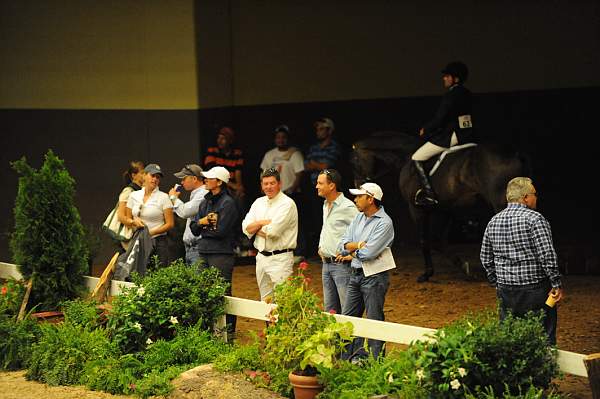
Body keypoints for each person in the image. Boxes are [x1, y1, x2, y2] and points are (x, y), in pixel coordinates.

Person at [480, 177, 563, 345]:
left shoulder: (493, 221)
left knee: (509, 337)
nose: (536, 197)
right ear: (525, 197)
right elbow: (547, 255)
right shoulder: (535, 219)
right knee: (542, 336)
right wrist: (555, 283)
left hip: (505, 289)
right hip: (535, 289)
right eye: (534, 194)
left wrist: (496, 282)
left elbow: (485, 257)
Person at [337, 182, 394, 360]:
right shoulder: (359, 218)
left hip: (374, 277)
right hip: (357, 274)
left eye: (359, 196)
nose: (355, 199)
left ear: (370, 199)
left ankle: (377, 363)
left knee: (374, 320)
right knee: (348, 320)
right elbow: (342, 244)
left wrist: (353, 248)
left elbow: (367, 253)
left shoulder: (385, 223)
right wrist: (359, 246)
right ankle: (349, 361)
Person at [412, 61, 475, 206]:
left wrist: (426, 129)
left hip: (455, 135)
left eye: (447, 76)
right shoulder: (468, 93)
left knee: (417, 157)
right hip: (470, 134)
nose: (444, 79)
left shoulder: (451, 95)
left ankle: (429, 194)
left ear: (456, 79)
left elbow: (441, 118)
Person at [190, 166, 239, 339]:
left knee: (223, 292)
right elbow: (194, 228)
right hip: (204, 251)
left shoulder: (228, 203)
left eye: (209, 178)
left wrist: (203, 226)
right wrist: (205, 223)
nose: (205, 180)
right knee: (203, 291)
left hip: (221, 253)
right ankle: (209, 330)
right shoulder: (205, 202)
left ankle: (229, 333)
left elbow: (221, 231)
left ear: (219, 182)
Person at [241, 168, 298, 301]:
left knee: (284, 302)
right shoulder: (258, 202)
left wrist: (255, 227)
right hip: (261, 258)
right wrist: (263, 222)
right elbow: (245, 228)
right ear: (261, 185)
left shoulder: (287, 204)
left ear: (279, 184)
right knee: (265, 302)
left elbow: (273, 232)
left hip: (281, 258)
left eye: (272, 183)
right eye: (265, 183)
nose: (269, 187)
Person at [260, 124, 306, 260]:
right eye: (278, 137)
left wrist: (291, 189)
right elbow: (263, 173)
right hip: (273, 196)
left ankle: (299, 252)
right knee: (275, 223)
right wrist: (264, 189)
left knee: (295, 223)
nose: (281, 140)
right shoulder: (270, 155)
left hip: (292, 194)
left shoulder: (295, 153)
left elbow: (299, 174)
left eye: (283, 137)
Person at [316, 169, 358, 314]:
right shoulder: (325, 204)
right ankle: (334, 338)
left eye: (320, 183)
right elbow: (329, 229)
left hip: (342, 265)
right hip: (326, 264)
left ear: (332, 186)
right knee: (330, 310)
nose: (317, 186)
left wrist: (353, 255)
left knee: (347, 309)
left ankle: (351, 338)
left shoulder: (347, 207)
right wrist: (321, 247)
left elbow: (363, 232)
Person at [203, 126, 247, 254]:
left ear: (230, 140)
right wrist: (235, 186)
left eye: (223, 138)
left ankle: (242, 233)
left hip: (231, 187)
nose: (220, 140)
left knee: (240, 198)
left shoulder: (237, 153)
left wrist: (239, 188)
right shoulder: (212, 151)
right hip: (218, 187)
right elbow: (213, 175)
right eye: (219, 138)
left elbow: (238, 173)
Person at [304, 117, 341, 258]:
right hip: (314, 189)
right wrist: (317, 164)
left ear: (329, 130)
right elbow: (306, 165)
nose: (318, 132)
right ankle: (318, 251)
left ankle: (331, 250)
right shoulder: (313, 147)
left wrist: (316, 164)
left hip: (330, 191)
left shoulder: (334, 146)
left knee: (330, 220)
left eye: (321, 129)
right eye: (317, 129)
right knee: (316, 220)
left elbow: (327, 166)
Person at [125, 163, 175, 268]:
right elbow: (127, 218)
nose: (155, 179)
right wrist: (133, 222)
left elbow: (170, 224)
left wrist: (150, 233)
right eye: (152, 176)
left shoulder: (164, 197)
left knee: (158, 273)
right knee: (138, 272)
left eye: (158, 177)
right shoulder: (134, 195)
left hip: (158, 242)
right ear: (144, 176)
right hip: (139, 240)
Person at [168, 164, 208, 265]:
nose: (182, 182)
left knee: (198, 280)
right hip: (191, 247)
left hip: (197, 247)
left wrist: (173, 198)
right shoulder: (196, 193)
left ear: (194, 178)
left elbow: (185, 212)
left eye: (184, 178)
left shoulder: (203, 193)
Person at [114, 160, 145, 252]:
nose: (145, 175)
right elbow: (121, 216)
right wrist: (133, 223)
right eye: (142, 173)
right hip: (131, 237)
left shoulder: (143, 191)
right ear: (134, 175)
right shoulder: (128, 191)